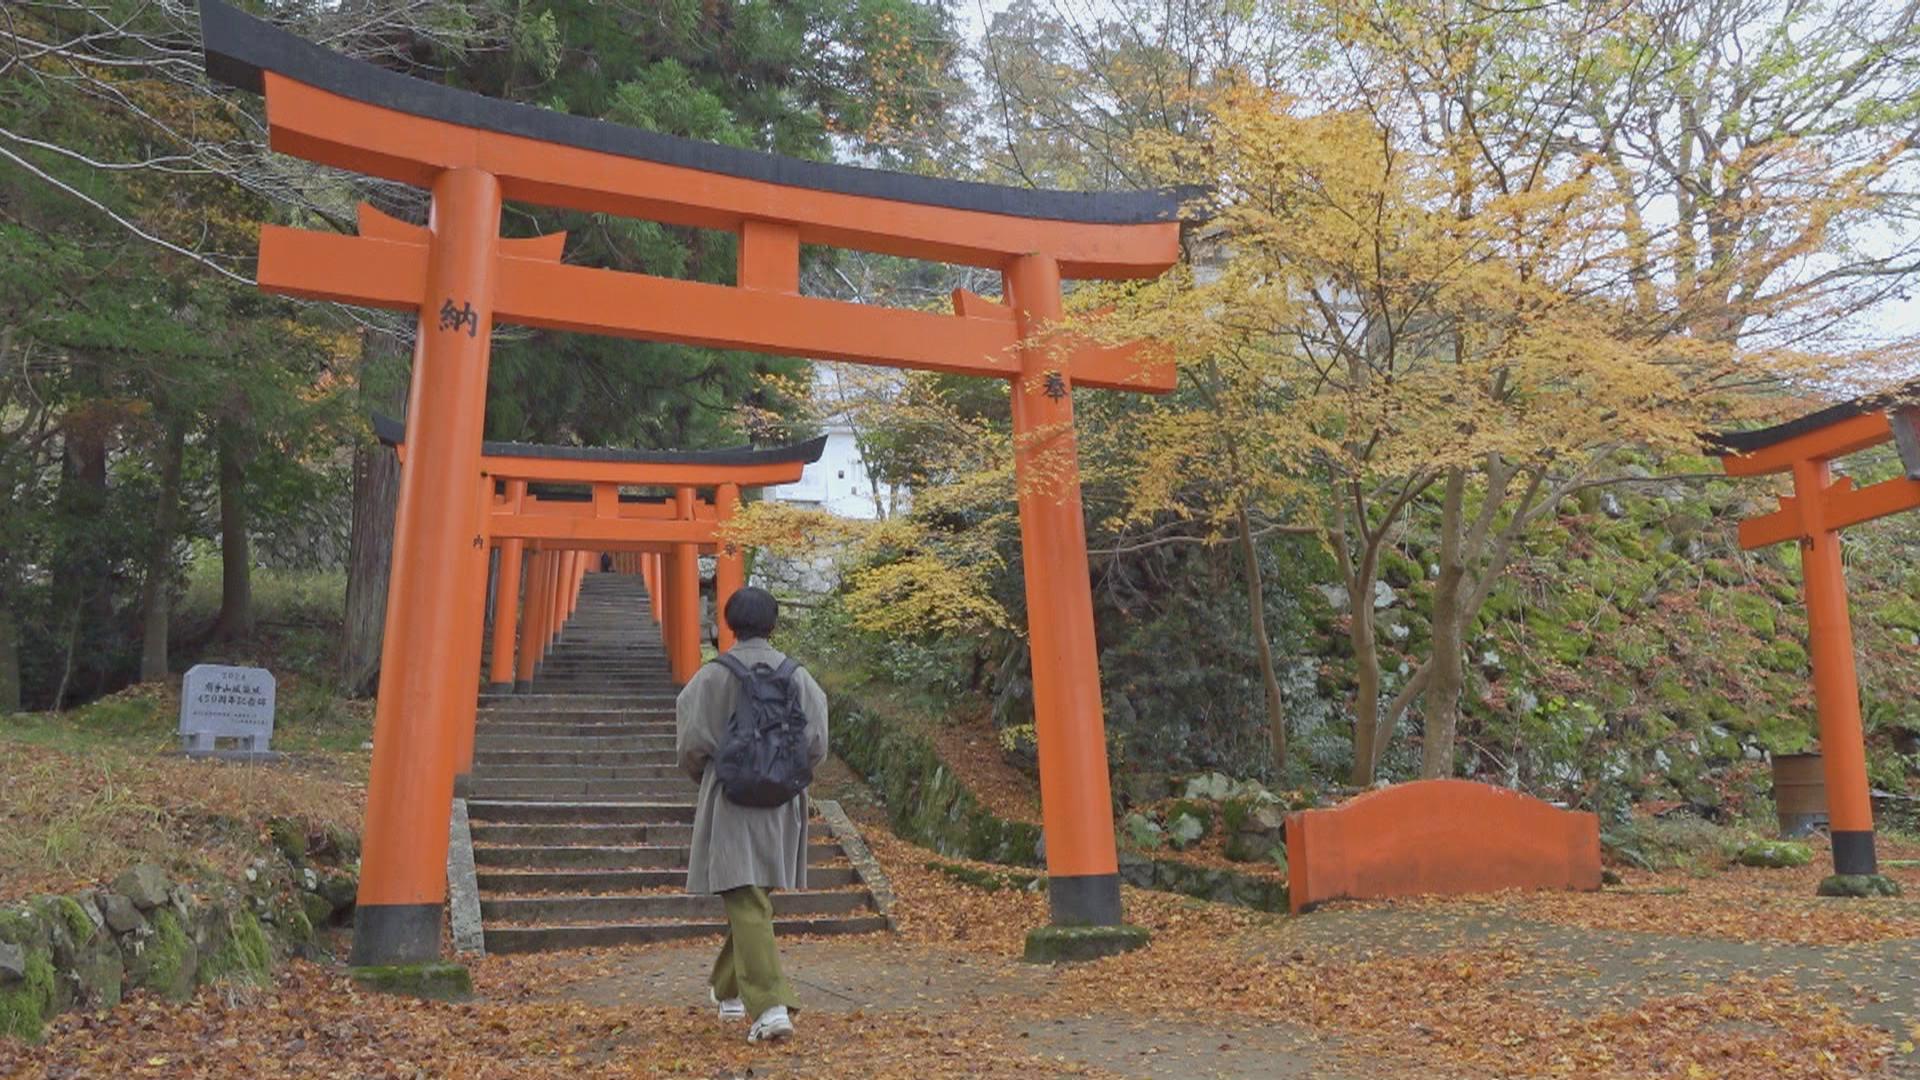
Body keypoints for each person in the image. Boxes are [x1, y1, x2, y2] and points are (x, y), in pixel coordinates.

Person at [674, 586, 829, 1044]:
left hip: (731, 799)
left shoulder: (712, 677)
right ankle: (728, 989)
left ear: (730, 624)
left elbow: (690, 745)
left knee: (746, 896)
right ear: (774, 624)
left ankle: (770, 1007)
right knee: (752, 895)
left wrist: (714, 775)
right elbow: (816, 743)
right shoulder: (799, 677)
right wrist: (785, 773)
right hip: (782, 802)